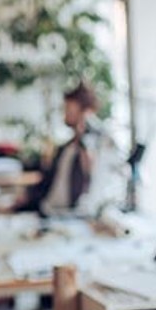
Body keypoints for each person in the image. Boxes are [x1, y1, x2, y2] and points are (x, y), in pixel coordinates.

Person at [17, 82, 125, 216]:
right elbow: (48, 180)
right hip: (46, 210)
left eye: (68, 108)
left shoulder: (98, 144)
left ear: (85, 111)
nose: (65, 113)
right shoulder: (66, 147)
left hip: (71, 216)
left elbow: (96, 185)